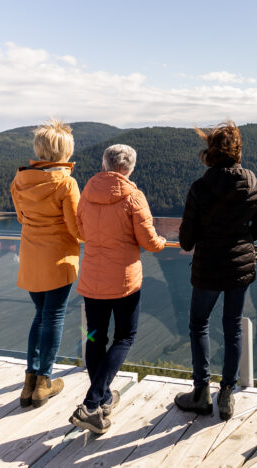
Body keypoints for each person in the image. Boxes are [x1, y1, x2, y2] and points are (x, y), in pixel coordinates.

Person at [174, 121, 257, 421]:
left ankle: (201, 392)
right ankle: (226, 394)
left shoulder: (200, 188)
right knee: (233, 328)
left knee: (199, 324)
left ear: (211, 151)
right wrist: (241, 238)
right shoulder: (252, 183)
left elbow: (186, 239)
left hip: (208, 269)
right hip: (240, 267)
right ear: (238, 150)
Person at [68, 144, 167, 434]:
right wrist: (162, 241)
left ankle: (103, 399)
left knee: (95, 337)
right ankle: (90, 404)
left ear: (104, 164)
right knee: (125, 337)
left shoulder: (87, 192)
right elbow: (148, 240)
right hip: (124, 282)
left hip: (92, 281)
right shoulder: (133, 197)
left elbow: (82, 231)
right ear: (130, 168)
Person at [11, 119, 82, 409]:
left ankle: (30, 383)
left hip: (30, 257)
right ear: (64, 152)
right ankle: (44, 382)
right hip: (59, 259)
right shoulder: (66, 183)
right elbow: (78, 229)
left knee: (40, 315)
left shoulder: (19, 180)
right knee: (53, 317)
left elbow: (20, 218)